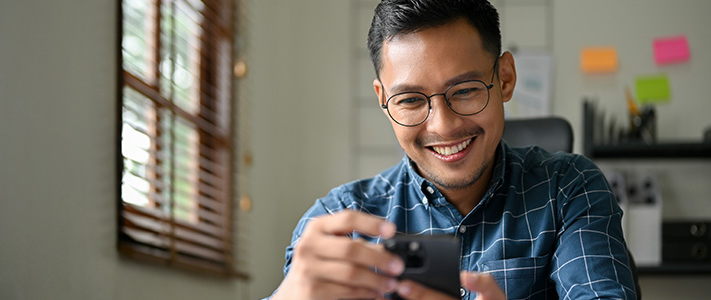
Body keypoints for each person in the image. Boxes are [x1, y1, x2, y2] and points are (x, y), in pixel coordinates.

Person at [268, 0, 637, 299]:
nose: (442, 126)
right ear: (383, 99)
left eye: (465, 91)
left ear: (504, 78)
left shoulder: (569, 188)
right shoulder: (337, 224)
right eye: (411, 99)